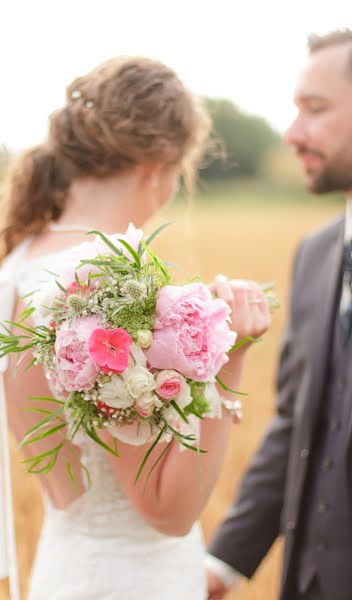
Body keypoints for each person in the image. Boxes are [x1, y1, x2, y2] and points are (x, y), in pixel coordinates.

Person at [0, 57, 271, 600]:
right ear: (158, 164)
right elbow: (166, 511)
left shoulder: (17, 267)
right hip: (135, 580)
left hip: (65, 571)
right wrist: (232, 362)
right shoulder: (102, 280)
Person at [206, 29, 352, 600]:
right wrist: (223, 563)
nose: (293, 134)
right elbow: (297, 423)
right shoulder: (316, 255)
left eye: (314, 110)